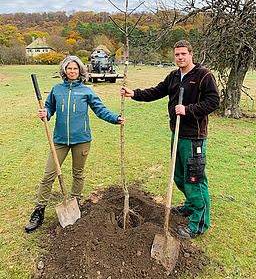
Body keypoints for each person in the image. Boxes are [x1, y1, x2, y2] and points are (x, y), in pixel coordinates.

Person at [121, 40, 219, 239]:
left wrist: (188, 110)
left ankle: (199, 223)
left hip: (194, 137)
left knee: (195, 180)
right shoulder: (174, 76)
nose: (180, 57)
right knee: (179, 176)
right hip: (177, 134)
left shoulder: (203, 76)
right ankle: (191, 205)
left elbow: (213, 101)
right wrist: (134, 94)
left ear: (191, 54)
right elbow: (157, 91)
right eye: (177, 55)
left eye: (183, 54)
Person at [25, 55, 125, 233]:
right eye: (69, 68)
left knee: (78, 174)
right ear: (64, 70)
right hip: (60, 141)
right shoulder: (57, 90)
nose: (72, 71)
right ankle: (39, 211)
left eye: (75, 68)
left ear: (80, 71)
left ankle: (75, 201)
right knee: (48, 175)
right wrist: (45, 113)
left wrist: (115, 118)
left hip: (82, 140)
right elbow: (49, 108)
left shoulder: (86, 91)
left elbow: (100, 110)